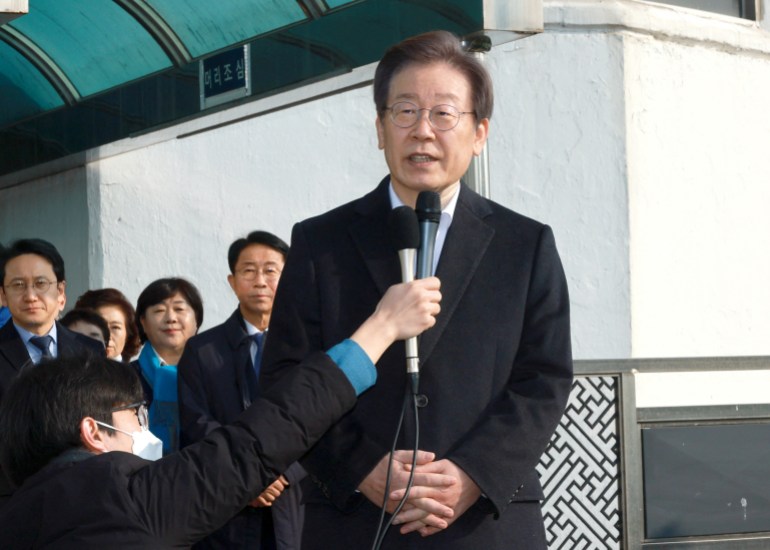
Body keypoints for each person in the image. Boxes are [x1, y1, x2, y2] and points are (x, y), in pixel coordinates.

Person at [260, 30, 573, 549]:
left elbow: (544, 378)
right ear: (380, 128)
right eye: (404, 111)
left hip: (485, 526)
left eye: (444, 113)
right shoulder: (320, 242)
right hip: (354, 522)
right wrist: (362, 468)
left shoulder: (526, 244)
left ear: (479, 132)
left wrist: (472, 474)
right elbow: (284, 378)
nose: (422, 131)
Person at [0, 269, 441, 546]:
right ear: (92, 432)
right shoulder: (125, 496)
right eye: (134, 415)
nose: (144, 426)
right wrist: (380, 330)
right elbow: (255, 442)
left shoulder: (16, 517)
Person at [179, 231, 302, 549]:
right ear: (232, 281)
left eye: (271, 270)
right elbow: (195, 422)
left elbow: (325, 419)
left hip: (294, 499)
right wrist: (246, 476)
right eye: (249, 270)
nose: (260, 280)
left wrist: (284, 472)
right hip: (226, 505)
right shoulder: (201, 350)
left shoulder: (309, 348)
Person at [0, 238, 105, 505]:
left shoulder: (89, 350)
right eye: (18, 285)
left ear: (61, 292)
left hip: (84, 493)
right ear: (3, 295)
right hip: (13, 499)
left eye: (41, 283)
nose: (31, 295)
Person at [132, 277, 203, 454]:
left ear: (196, 320)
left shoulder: (214, 375)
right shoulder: (123, 377)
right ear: (143, 322)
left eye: (179, 309)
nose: (171, 318)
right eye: (159, 310)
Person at [75, 288, 141, 362]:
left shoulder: (137, 373)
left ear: (128, 334)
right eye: (99, 325)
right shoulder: (65, 370)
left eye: (115, 327)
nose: (107, 336)